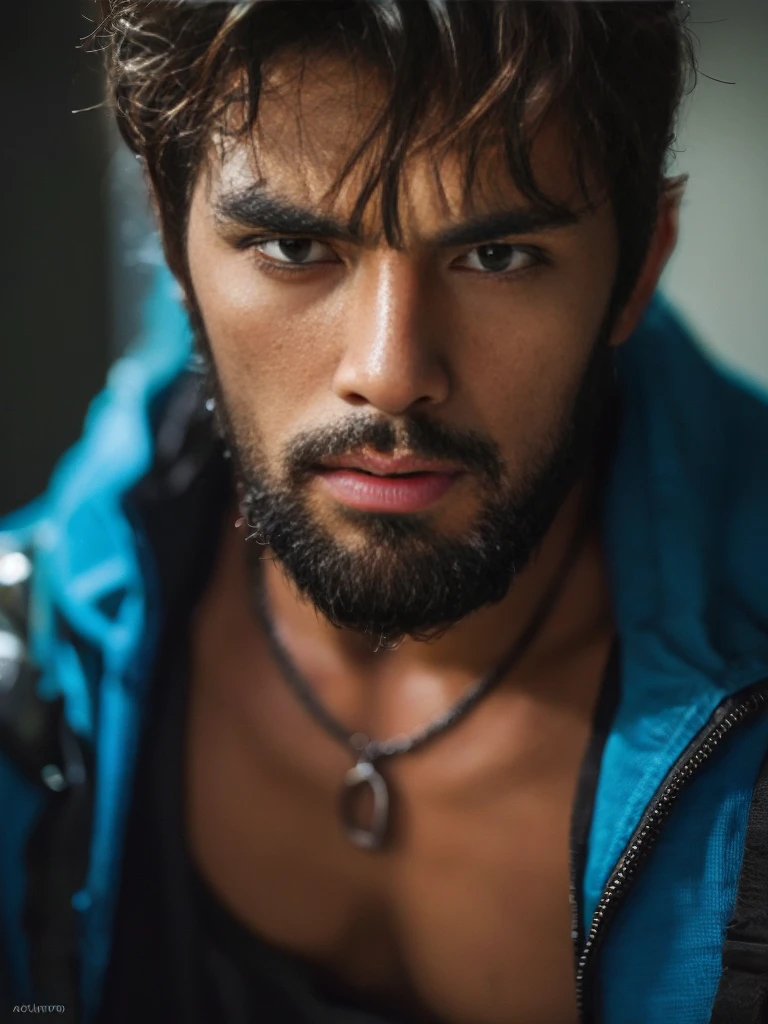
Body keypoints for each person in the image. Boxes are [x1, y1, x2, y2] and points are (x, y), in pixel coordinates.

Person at [1, 1, 767, 1021]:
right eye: (289, 246)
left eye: (496, 257)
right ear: (171, 240)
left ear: (636, 267)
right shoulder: (37, 653)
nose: (391, 372)